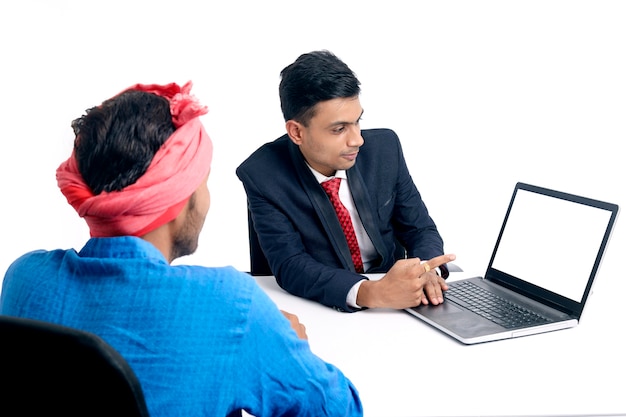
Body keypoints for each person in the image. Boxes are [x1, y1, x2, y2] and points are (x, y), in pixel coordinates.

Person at [0, 82, 363, 417]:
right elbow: (340, 409)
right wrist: (286, 347)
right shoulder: (230, 305)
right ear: (176, 197)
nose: (205, 197)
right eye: (202, 179)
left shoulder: (24, 279)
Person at [237, 50, 456, 312]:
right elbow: (290, 264)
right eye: (339, 129)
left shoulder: (385, 149)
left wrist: (427, 269)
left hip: (400, 304)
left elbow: (419, 228)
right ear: (296, 132)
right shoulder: (262, 174)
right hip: (322, 308)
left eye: (357, 121)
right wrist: (370, 293)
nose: (357, 140)